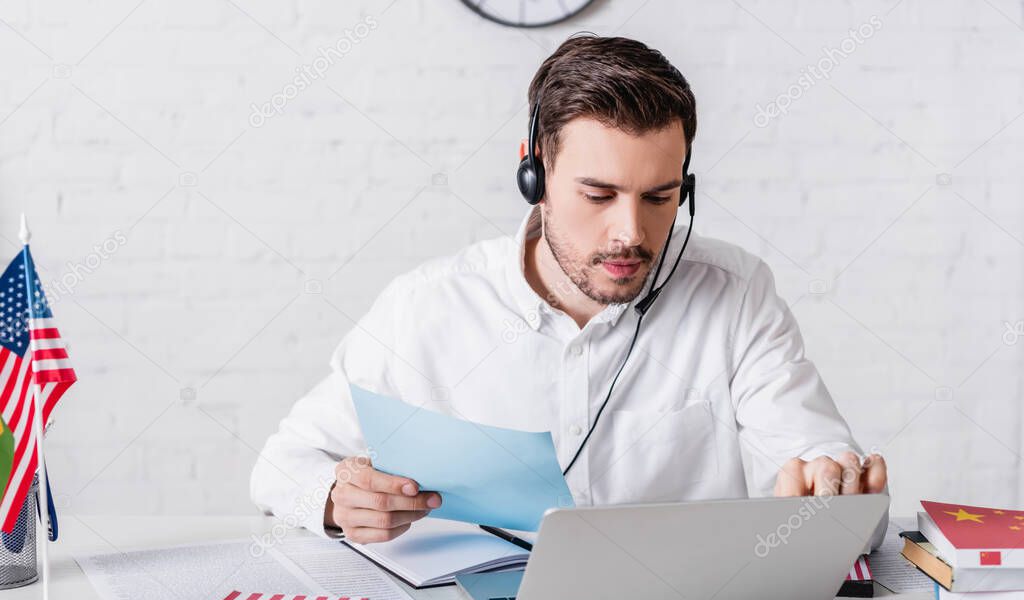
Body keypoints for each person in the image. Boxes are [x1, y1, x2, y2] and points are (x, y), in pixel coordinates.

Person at [251, 34, 887, 546]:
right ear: (535, 170)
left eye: (660, 198)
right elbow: (282, 465)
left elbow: (815, 462)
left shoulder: (736, 296)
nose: (631, 233)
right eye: (598, 195)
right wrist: (336, 500)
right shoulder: (426, 306)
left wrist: (833, 488)